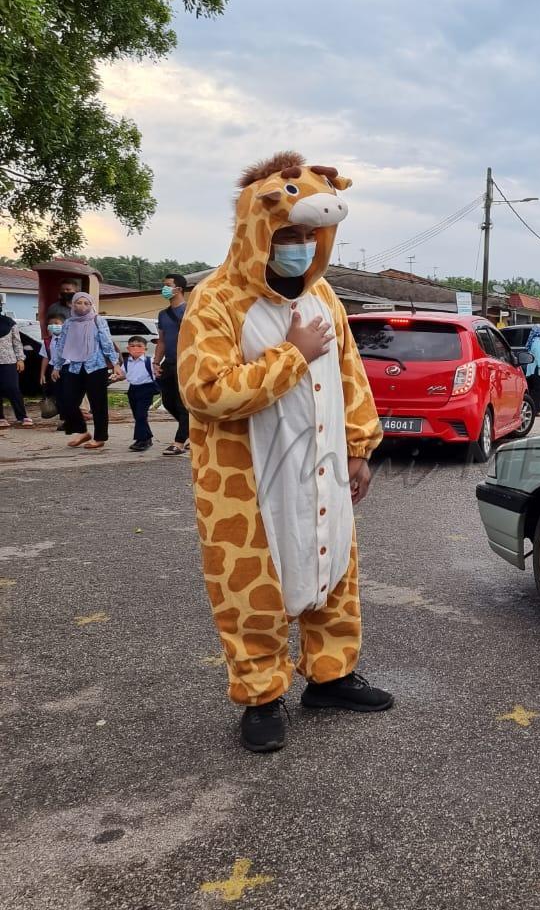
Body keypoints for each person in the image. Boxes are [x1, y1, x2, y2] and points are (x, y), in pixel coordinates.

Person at [178, 151, 390, 754]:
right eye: (287, 234)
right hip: (249, 480)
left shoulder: (326, 300)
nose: (299, 246)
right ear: (258, 229)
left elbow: (352, 378)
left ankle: (331, 676)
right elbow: (205, 391)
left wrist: (359, 448)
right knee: (252, 588)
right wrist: (291, 354)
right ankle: (261, 695)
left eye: (309, 235)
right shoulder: (216, 301)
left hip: (322, 469)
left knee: (334, 572)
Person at [50, 292, 120, 450]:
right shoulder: (68, 323)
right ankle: (82, 431)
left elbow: (106, 341)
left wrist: (115, 363)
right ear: (73, 305)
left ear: (91, 305)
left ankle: (100, 437)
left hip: (96, 367)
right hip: (74, 367)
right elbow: (62, 345)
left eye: (86, 303)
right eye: (79, 303)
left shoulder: (97, 320)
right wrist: (57, 366)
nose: (82, 306)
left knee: (98, 404)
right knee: (68, 402)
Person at [153, 273, 191, 456]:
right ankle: (191, 430)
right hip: (169, 363)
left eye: (168, 285)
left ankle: (179, 441)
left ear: (179, 289)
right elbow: (161, 341)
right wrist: (155, 362)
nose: (164, 288)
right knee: (168, 402)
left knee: (183, 403)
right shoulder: (163, 314)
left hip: (188, 362)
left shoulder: (191, 310)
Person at [120, 335, 159, 451]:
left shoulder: (150, 361)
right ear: (128, 348)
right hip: (133, 390)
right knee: (137, 416)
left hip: (146, 389)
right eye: (132, 346)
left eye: (139, 346)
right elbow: (122, 375)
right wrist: (115, 377)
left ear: (145, 349)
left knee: (142, 414)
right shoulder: (127, 362)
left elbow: (158, 373)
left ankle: (141, 440)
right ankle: (147, 437)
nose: (135, 348)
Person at [0, 310, 30, 428]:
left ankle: (22, 416)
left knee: (12, 388)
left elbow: (17, 342)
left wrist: (20, 359)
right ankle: (1, 418)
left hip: (9, 360)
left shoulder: (9, 323)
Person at [39, 308, 67, 426]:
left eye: (56, 323)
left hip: (68, 369)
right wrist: (42, 374)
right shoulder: (48, 341)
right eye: (50, 324)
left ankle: (69, 419)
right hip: (53, 370)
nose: (53, 326)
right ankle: (65, 419)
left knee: (68, 394)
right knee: (58, 394)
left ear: (64, 324)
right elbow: (46, 357)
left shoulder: (69, 339)